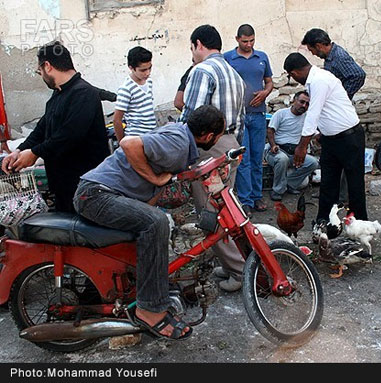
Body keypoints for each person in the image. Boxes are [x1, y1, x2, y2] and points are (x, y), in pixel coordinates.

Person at [73, 105, 225, 340]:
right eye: (220, 134)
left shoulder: (181, 141)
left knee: (153, 221)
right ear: (209, 136)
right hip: (96, 195)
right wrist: (154, 178)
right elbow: (129, 144)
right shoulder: (177, 144)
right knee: (156, 223)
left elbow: (155, 187)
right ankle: (149, 309)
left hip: (104, 194)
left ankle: (151, 291)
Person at [1, 41, 109, 213]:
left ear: (48, 66)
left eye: (39, 71)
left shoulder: (84, 93)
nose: (41, 75)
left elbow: (70, 135)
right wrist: (20, 150)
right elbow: (43, 127)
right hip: (63, 186)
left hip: (85, 188)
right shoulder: (59, 94)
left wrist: (36, 153)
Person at [179, 24, 246, 292]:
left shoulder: (202, 70)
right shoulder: (234, 73)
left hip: (209, 147)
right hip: (230, 143)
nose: (193, 55)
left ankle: (241, 272)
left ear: (198, 44)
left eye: (192, 49)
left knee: (212, 213)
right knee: (229, 209)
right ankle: (236, 264)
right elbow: (240, 119)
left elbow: (191, 119)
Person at [284, 52, 368, 222]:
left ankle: (361, 225)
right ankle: (324, 223)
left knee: (354, 185)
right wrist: (318, 134)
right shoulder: (314, 81)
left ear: (294, 73)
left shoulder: (319, 80)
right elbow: (323, 113)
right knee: (328, 184)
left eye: (291, 76)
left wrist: (301, 147)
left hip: (349, 138)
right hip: (331, 139)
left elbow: (313, 114)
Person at [302, 28, 366, 203]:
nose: (314, 54)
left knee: (349, 164)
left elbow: (359, 75)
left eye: (313, 50)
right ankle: (335, 195)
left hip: (343, 120)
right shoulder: (330, 59)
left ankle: (344, 197)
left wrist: (342, 96)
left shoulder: (338, 57)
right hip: (335, 119)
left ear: (320, 45)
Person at [224, 24, 274, 214]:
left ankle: (256, 196)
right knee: (243, 160)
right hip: (238, 116)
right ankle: (245, 199)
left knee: (256, 158)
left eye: (252, 40)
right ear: (237, 39)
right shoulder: (228, 58)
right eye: (245, 41)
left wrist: (265, 92)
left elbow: (269, 81)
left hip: (259, 115)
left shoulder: (261, 57)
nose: (249, 44)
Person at [265, 91, 318, 201]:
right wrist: (273, 145)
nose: (304, 106)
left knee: (313, 163)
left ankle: (290, 184)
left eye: (307, 104)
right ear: (294, 100)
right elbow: (270, 131)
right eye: (302, 102)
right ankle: (277, 190)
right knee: (282, 159)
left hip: (295, 152)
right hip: (278, 150)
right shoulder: (281, 113)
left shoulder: (308, 117)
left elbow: (315, 134)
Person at [113, 46, 156, 141]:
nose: (148, 73)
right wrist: (123, 144)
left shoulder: (149, 82)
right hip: (135, 138)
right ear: (131, 68)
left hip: (151, 135)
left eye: (150, 68)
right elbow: (117, 120)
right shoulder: (126, 89)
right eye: (143, 70)